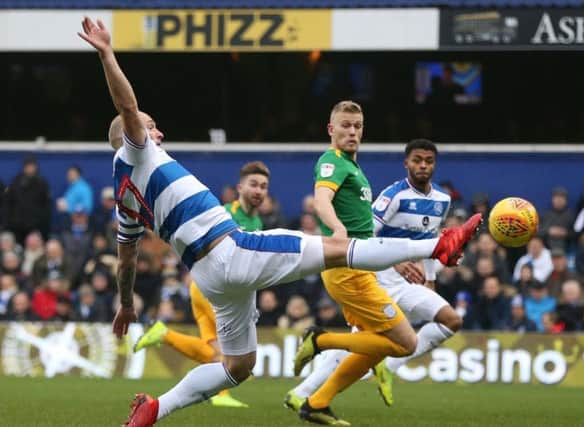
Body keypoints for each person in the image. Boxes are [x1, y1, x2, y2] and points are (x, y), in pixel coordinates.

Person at [78, 17, 480, 427]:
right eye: (151, 126)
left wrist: (126, 305)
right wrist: (108, 54)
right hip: (232, 250)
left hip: (210, 277)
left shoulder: (124, 196)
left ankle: (153, 410)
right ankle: (439, 245)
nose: (158, 132)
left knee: (237, 365)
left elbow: (125, 260)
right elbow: (126, 106)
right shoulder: (137, 152)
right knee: (339, 249)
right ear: (132, 133)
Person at [285, 139, 463, 415]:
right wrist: (398, 262)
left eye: (429, 161)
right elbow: (369, 236)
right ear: (406, 163)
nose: (423, 165)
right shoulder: (393, 195)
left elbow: (432, 242)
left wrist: (430, 279)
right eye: (417, 160)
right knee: (363, 343)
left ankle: (388, 367)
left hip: (410, 283)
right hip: (380, 276)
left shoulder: (442, 200)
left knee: (451, 320)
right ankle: (302, 392)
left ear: (435, 165)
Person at [133, 161, 271, 409]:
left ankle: (164, 334)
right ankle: (222, 395)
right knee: (228, 354)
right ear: (240, 187)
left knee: (210, 351)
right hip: (213, 291)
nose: (259, 191)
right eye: (254, 185)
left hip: (212, 290)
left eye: (263, 186)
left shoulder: (257, 223)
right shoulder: (224, 214)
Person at [5, 156, 52, 243]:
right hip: (17, 226)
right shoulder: (16, 182)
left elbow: (46, 206)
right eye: (28, 166)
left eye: (32, 166)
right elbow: (9, 203)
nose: (30, 169)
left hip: (35, 226)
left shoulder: (42, 183)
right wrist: (10, 223)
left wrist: (42, 225)